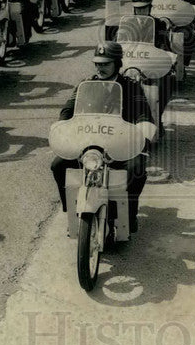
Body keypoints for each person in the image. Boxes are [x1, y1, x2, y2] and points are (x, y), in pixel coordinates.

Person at [49, 42, 154, 231]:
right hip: (89, 144)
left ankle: (130, 214)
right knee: (58, 165)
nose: (100, 67)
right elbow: (68, 109)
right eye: (97, 63)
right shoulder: (85, 85)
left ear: (117, 63)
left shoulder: (131, 87)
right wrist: (62, 124)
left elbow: (143, 114)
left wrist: (143, 133)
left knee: (136, 169)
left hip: (119, 145)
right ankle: (71, 210)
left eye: (105, 63)